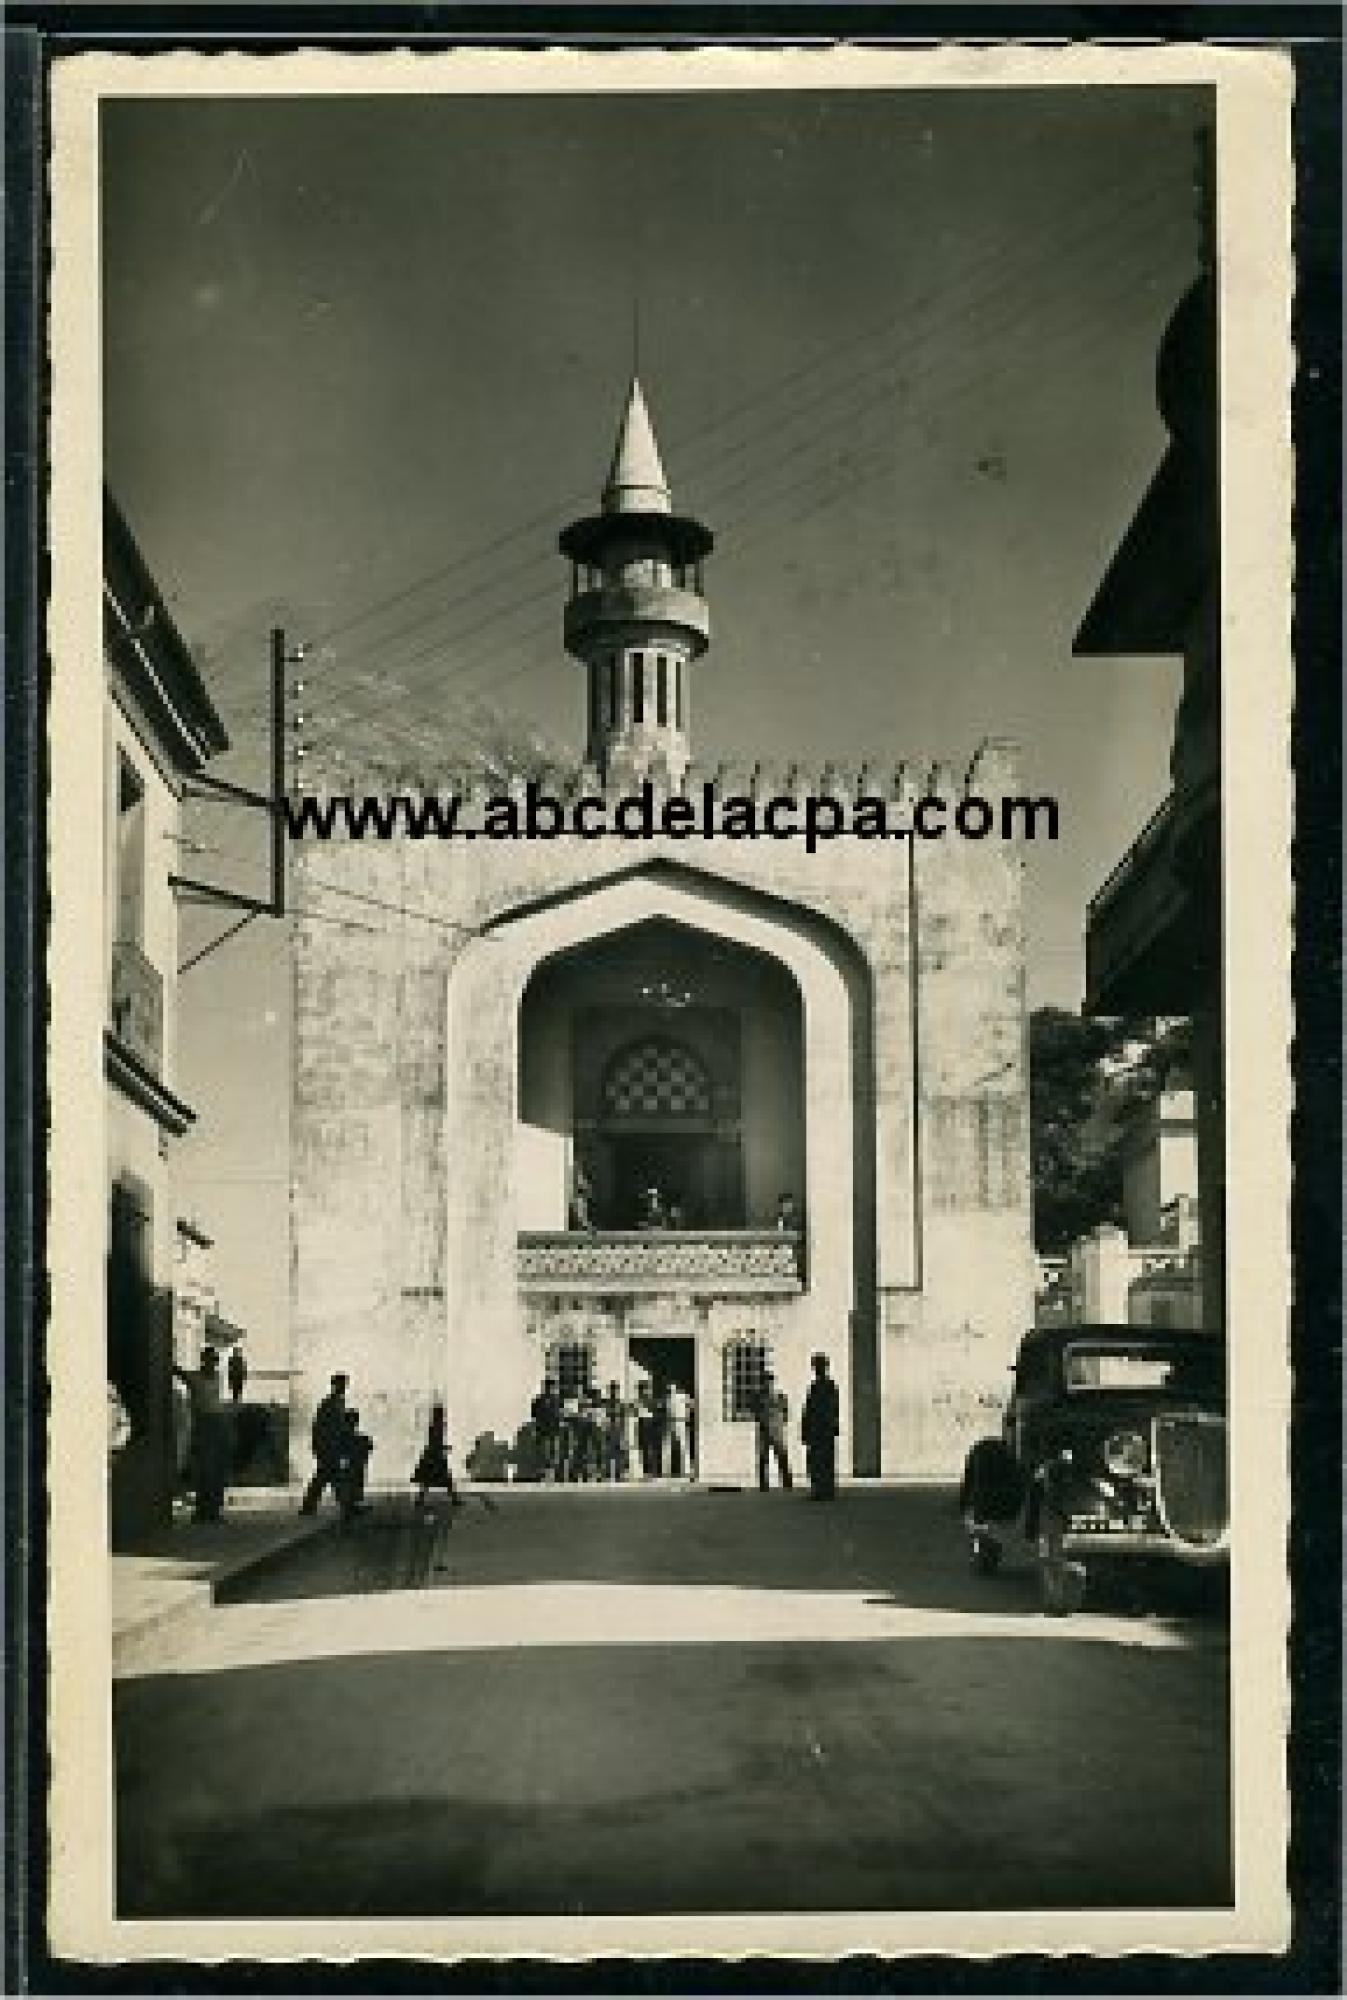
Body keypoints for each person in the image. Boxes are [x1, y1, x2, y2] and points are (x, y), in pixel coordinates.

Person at [175, 1345, 230, 1522]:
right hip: (204, 1423)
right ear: (203, 1360)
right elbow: (177, 1371)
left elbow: (218, 1403)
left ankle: (214, 1511)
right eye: (209, 1360)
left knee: (217, 1470)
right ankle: (202, 1512)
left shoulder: (218, 1377)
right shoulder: (194, 1378)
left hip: (218, 1422)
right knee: (205, 1469)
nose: (212, 1364)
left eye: (214, 1361)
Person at [300, 1371, 348, 1514]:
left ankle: (310, 1506)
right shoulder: (330, 1403)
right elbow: (322, 1426)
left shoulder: (334, 1403)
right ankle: (347, 1505)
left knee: (326, 1476)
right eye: (341, 1384)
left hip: (329, 1445)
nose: (343, 1387)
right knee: (329, 1476)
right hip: (328, 1445)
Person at [801, 1351, 841, 1500]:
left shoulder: (825, 1386)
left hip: (821, 1428)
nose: (816, 1369)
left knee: (822, 1460)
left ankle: (823, 1489)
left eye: (817, 1365)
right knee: (820, 1460)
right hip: (821, 1429)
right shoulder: (820, 1386)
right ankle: (822, 1489)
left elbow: (825, 1409)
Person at [412, 1403, 461, 1509]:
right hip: (436, 1457)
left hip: (431, 1456)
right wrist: (444, 1448)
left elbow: (433, 1442)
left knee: (427, 1480)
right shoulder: (438, 1427)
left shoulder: (434, 1426)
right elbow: (435, 1443)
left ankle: (420, 1500)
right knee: (446, 1480)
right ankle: (454, 1500)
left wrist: (443, 1448)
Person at [752, 1369, 793, 1491]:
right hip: (764, 1429)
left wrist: (780, 1423)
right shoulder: (758, 1397)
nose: (767, 1384)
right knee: (763, 1458)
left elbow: (786, 1413)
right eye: (764, 1382)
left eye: (769, 1381)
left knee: (782, 1456)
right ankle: (764, 1485)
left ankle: (787, 1483)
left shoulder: (780, 1396)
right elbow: (755, 1411)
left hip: (777, 1430)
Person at [338, 1408, 374, 1524]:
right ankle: (349, 1507)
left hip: (351, 1465)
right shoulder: (354, 1437)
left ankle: (349, 1507)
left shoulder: (346, 1436)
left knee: (351, 1485)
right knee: (353, 1484)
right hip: (353, 1465)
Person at [530, 1375, 562, 1482]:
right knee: (542, 1453)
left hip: (552, 1431)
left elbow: (559, 1416)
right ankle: (542, 1473)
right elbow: (534, 1416)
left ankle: (552, 1474)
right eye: (549, 1387)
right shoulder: (538, 1401)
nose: (550, 1389)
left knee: (552, 1454)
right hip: (543, 1431)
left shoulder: (556, 1401)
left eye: (551, 1387)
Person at [601, 1382, 628, 1482]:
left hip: (616, 1429)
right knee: (609, 1451)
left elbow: (622, 1417)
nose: (613, 1392)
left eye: (614, 1390)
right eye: (612, 1389)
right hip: (610, 1428)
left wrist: (622, 1430)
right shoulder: (607, 1403)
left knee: (617, 1451)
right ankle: (608, 1472)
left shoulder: (618, 1404)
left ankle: (618, 1472)